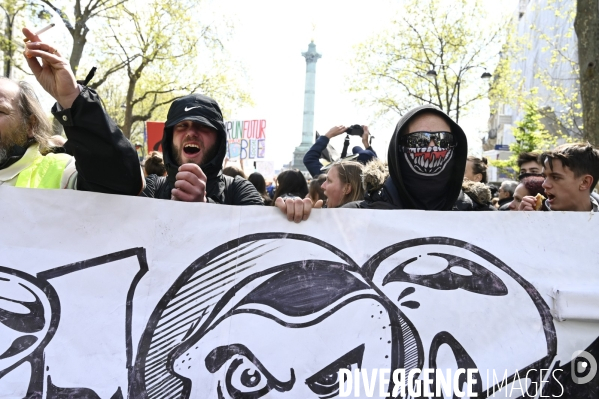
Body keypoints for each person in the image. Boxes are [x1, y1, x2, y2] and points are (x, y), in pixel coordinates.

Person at [22, 29, 262, 205]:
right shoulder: (151, 189)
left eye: (203, 127)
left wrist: (204, 209)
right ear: (169, 138)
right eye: (182, 126)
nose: (191, 132)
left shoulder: (240, 192)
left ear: (219, 139)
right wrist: (72, 98)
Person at [0, 74, 139, 192]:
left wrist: (72, 98)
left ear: (31, 125)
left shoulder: (62, 171)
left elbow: (120, 182)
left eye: (1, 111)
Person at [520, 143, 599, 212]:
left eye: (555, 177)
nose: (544, 184)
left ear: (585, 182)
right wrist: (526, 223)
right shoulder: (537, 217)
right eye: (544, 177)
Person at [303, 125, 376, 178]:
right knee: (358, 149)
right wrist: (366, 144)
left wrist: (328, 135)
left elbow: (309, 159)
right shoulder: (378, 190)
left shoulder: (333, 181)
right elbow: (378, 166)